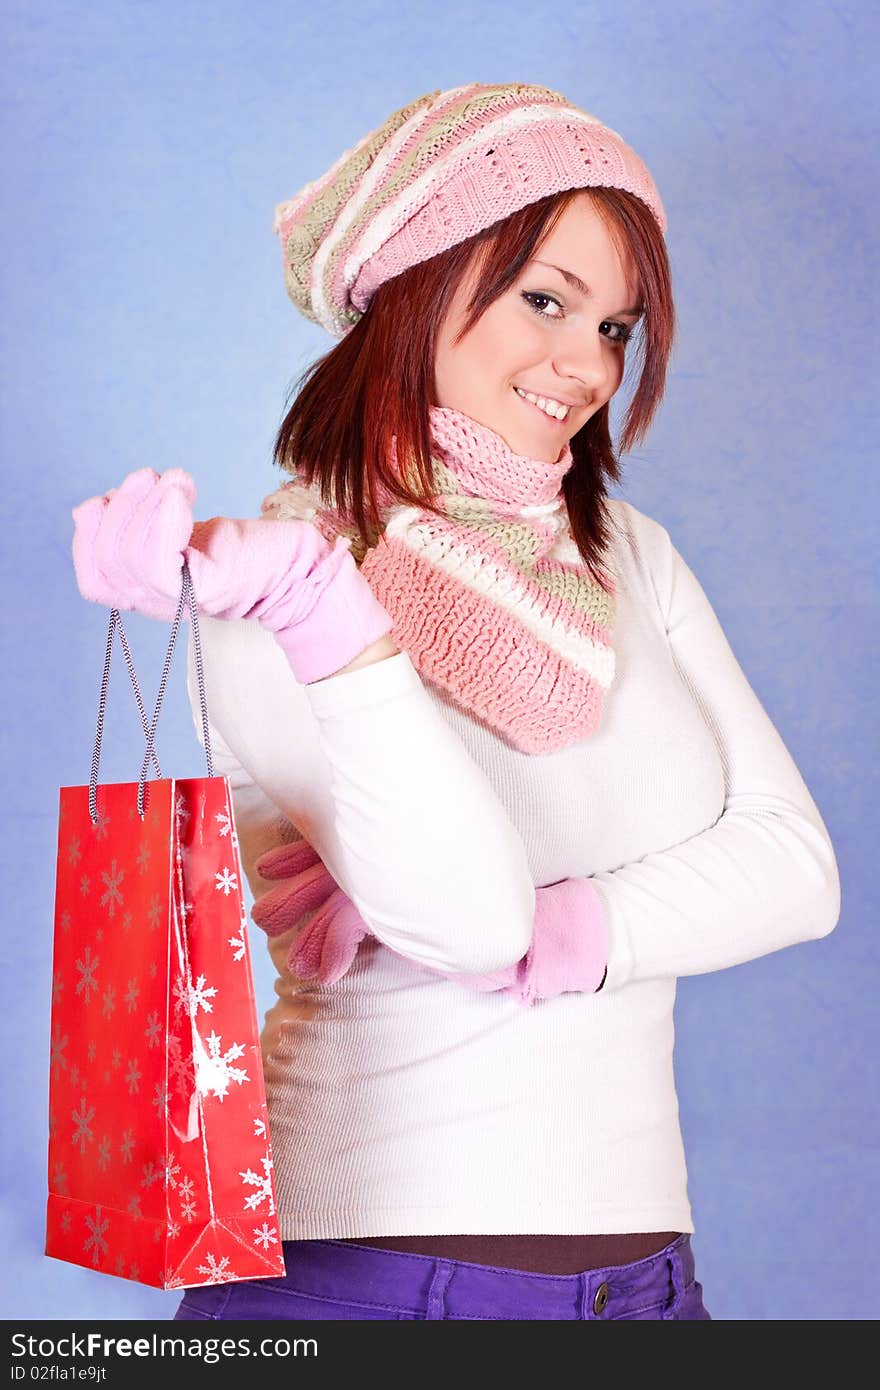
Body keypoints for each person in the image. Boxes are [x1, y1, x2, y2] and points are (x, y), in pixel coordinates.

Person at [70, 82, 841, 1322]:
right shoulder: (273, 579)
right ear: (416, 280)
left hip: (644, 1289)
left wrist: (580, 927)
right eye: (546, 299)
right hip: (371, 1283)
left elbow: (798, 872)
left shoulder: (628, 556)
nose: (586, 366)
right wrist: (328, 615)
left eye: (617, 328)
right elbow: (470, 922)